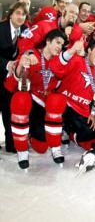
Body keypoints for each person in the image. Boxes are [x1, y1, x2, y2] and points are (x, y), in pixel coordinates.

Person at [5, 29, 67, 169]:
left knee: (41, 146)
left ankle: (50, 143)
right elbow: (12, 85)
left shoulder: (60, 61)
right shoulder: (32, 54)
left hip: (45, 105)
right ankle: (22, 150)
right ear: (48, 41)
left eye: (62, 45)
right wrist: (21, 65)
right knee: (20, 98)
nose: (59, 47)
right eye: (57, 42)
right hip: (30, 102)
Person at [50, 39, 95, 149]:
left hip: (81, 111)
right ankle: (62, 127)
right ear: (90, 50)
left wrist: (92, 114)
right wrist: (72, 50)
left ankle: (70, 133)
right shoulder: (76, 60)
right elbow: (55, 67)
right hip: (64, 105)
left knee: (94, 136)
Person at [0, 1, 28, 152]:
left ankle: (11, 144)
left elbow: (30, 49)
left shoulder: (26, 30)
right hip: (1, 71)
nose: (20, 17)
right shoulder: (1, 28)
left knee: (9, 111)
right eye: (17, 13)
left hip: (13, 79)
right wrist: (7, 64)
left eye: (23, 14)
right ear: (10, 14)